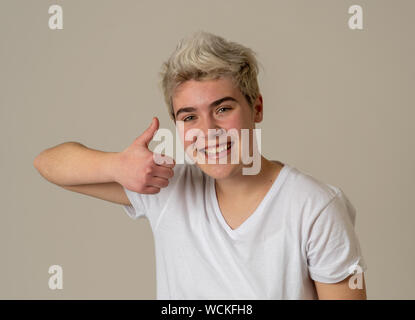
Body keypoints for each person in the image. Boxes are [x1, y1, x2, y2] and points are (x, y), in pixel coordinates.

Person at [33, 30, 367, 299]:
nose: (207, 132)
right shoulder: (167, 188)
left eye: (223, 109)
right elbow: (48, 163)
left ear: (257, 107)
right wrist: (116, 165)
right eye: (190, 116)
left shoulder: (316, 208)